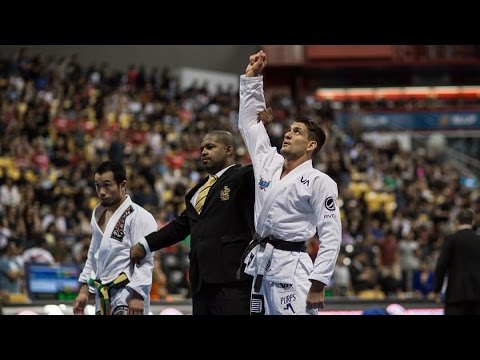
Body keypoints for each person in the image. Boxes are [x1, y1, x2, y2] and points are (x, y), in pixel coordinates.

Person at [238, 50, 342, 315]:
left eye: (297, 131)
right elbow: (249, 124)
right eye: (288, 129)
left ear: (311, 145)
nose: (287, 133)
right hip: (261, 264)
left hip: (294, 268)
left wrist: (318, 283)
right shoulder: (268, 163)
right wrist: (252, 79)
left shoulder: (320, 181)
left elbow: (331, 236)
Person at [130, 130, 255, 315]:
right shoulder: (197, 191)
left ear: (229, 150)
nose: (204, 152)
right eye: (202, 148)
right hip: (201, 282)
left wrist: (258, 130)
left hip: (233, 281)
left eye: (210, 147)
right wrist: (146, 244)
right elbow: (180, 227)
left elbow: (265, 167)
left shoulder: (244, 177)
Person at [73, 160, 157, 315]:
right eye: (97, 185)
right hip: (104, 294)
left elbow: (145, 260)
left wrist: (138, 294)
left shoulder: (140, 216)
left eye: (107, 185)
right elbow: (93, 255)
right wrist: (84, 290)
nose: (101, 191)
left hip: (128, 295)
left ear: (122, 185)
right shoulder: (98, 215)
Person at [433, 208, 480, 315]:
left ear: (457, 222)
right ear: (473, 221)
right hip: (478, 296)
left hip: (456, 296)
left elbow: (441, 265)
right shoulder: (478, 240)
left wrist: (437, 290)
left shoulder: (451, 240)